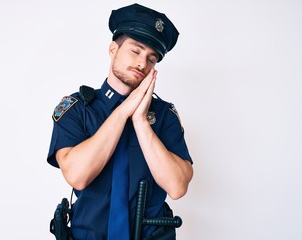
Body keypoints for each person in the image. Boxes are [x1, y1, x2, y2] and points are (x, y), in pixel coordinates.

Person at [47, 3, 194, 240]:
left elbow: (177, 187)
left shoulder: (164, 115)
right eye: (135, 51)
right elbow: (77, 175)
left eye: (151, 59)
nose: (142, 64)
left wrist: (141, 122)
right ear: (113, 49)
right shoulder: (77, 109)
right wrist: (122, 112)